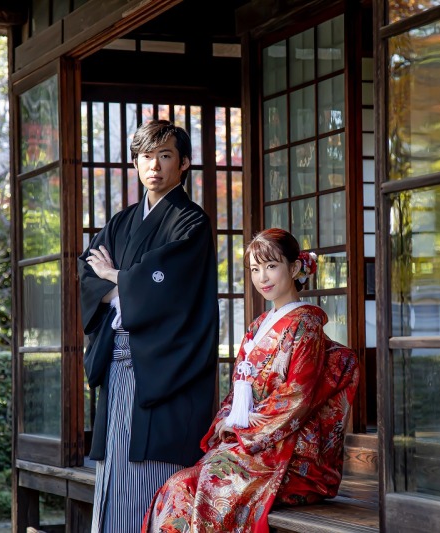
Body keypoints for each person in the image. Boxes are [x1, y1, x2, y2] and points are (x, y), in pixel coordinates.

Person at [142, 228, 359, 533]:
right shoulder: (258, 326)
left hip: (286, 452)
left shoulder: (306, 324)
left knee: (199, 489)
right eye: (255, 269)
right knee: (179, 485)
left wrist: (245, 428)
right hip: (253, 444)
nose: (262, 278)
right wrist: (228, 420)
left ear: (294, 267)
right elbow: (238, 391)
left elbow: (297, 396)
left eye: (271, 266)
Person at [78, 120, 219, 533]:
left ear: (184, 163)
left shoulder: (191, 223)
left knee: (153, 476)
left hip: (164, 370)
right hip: (118, 361)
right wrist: (125, 284)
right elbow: (87, 273)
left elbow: (172, 289)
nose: (153, 166)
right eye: (145, 157)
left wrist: (117, 277)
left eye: (165, 156)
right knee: (114, 469)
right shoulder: (121, 222)